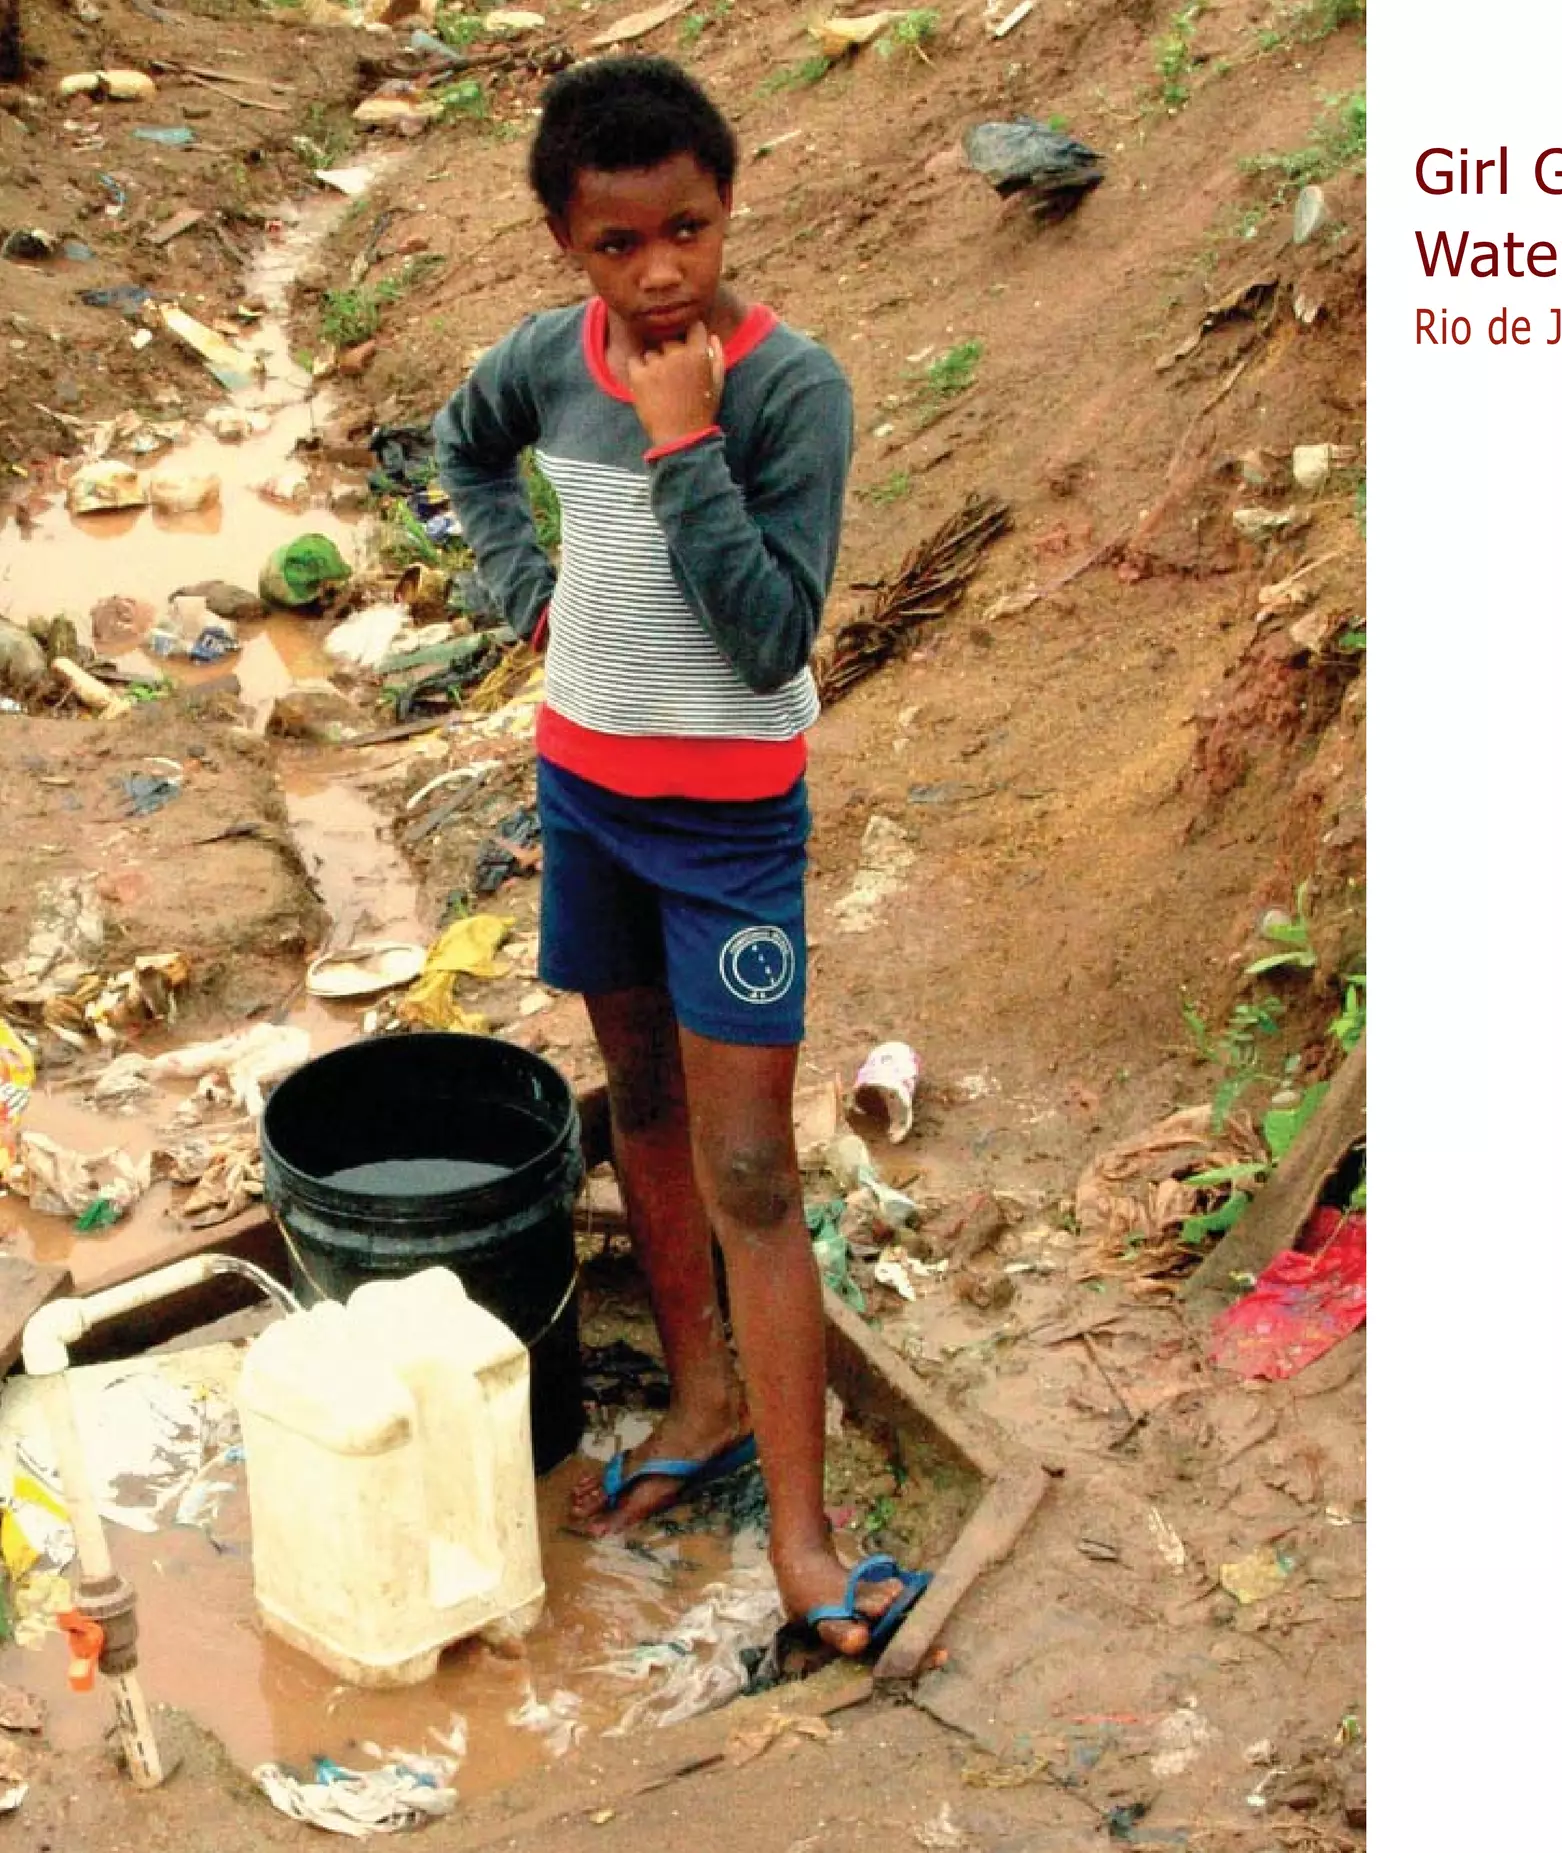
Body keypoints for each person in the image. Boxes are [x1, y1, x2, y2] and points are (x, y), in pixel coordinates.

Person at [432, 56, 923, 1658]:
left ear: (730, 205)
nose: (659, 274)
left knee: (755, 1171)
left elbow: (774, 627)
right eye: (617, 244)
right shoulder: (540, 363)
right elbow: (459, 449)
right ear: (566, 243)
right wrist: (531, 598)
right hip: (584, 798)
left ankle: (800, 1535)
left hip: (724, 832)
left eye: (690, 231)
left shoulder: (791, 390)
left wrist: (682, 444)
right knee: (636, 1105)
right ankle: (703, 1401)